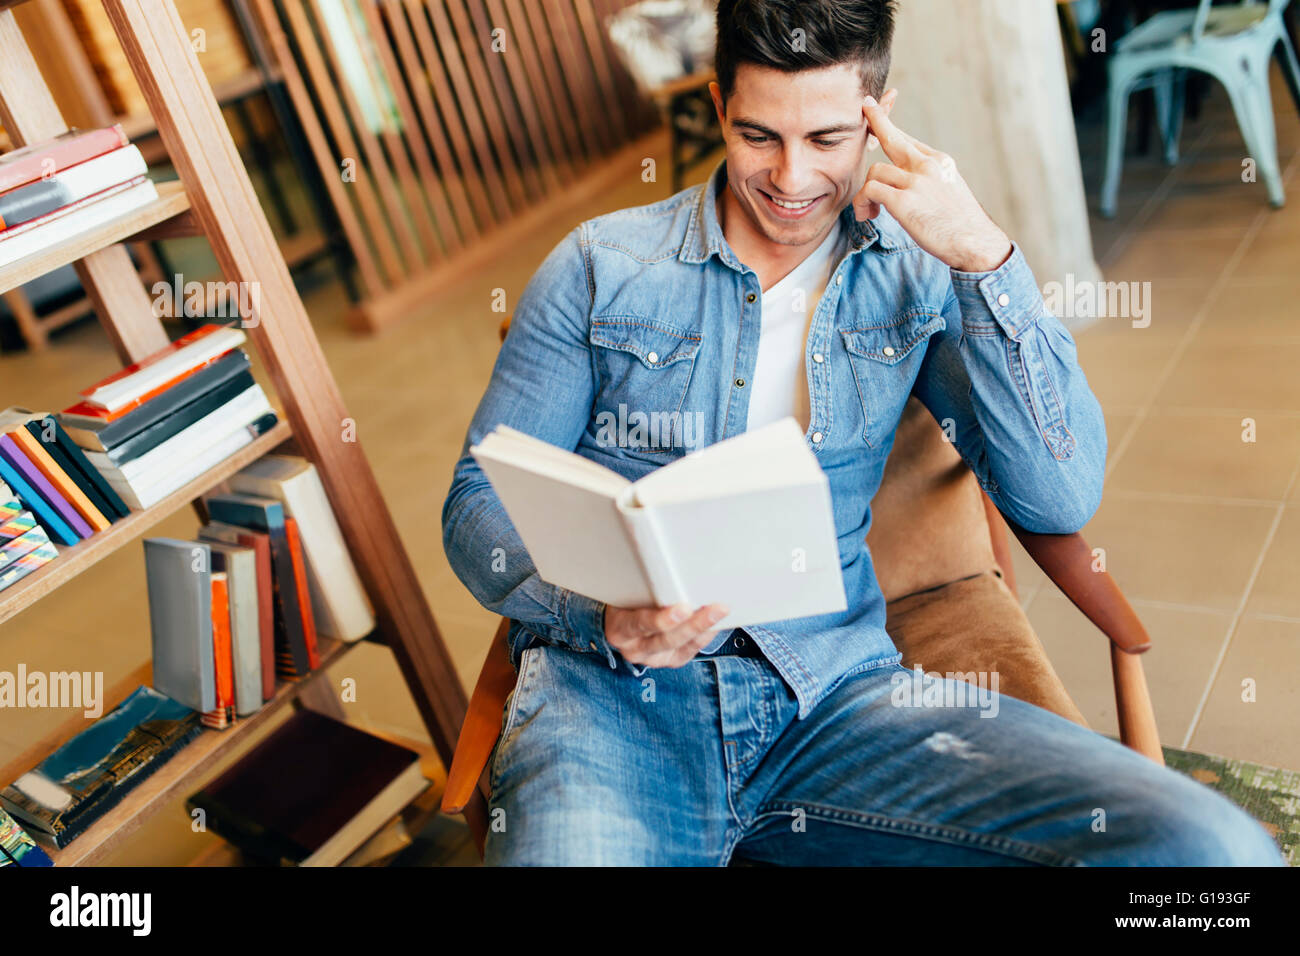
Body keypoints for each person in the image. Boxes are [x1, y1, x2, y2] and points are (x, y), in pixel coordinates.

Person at [441, 0, 1284, 866]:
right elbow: (474, 508)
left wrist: (984, 259)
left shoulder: (912, 276)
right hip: (609, 707)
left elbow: (1059, 492)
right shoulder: (598, 265)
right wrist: (601, 616)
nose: (792, 179)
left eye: (829, 140)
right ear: (719, 105)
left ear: (881, 114)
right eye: (760, 136)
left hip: (835, 701)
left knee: (1206, 848)